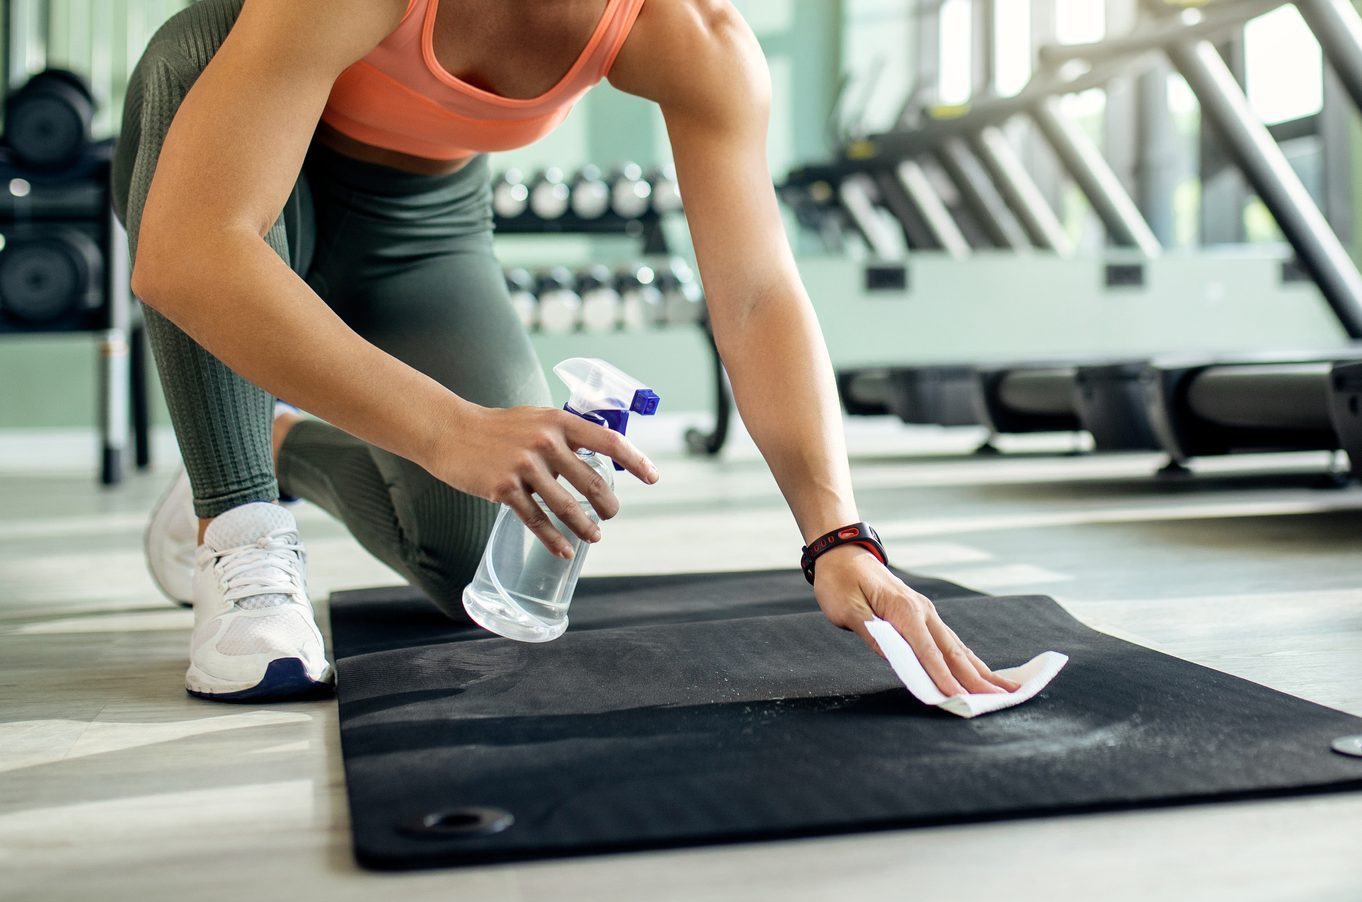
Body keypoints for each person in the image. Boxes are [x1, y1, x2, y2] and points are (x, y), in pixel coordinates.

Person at [116, 0, 1020, 702]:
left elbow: (755, 294)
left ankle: (275, 442)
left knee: (483, 560)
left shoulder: (692, 34)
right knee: (188, 59)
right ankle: (237, 521)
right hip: (234, 167)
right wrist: (444, 426)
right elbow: (189, 253)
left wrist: (840, 537)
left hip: (419, 226)